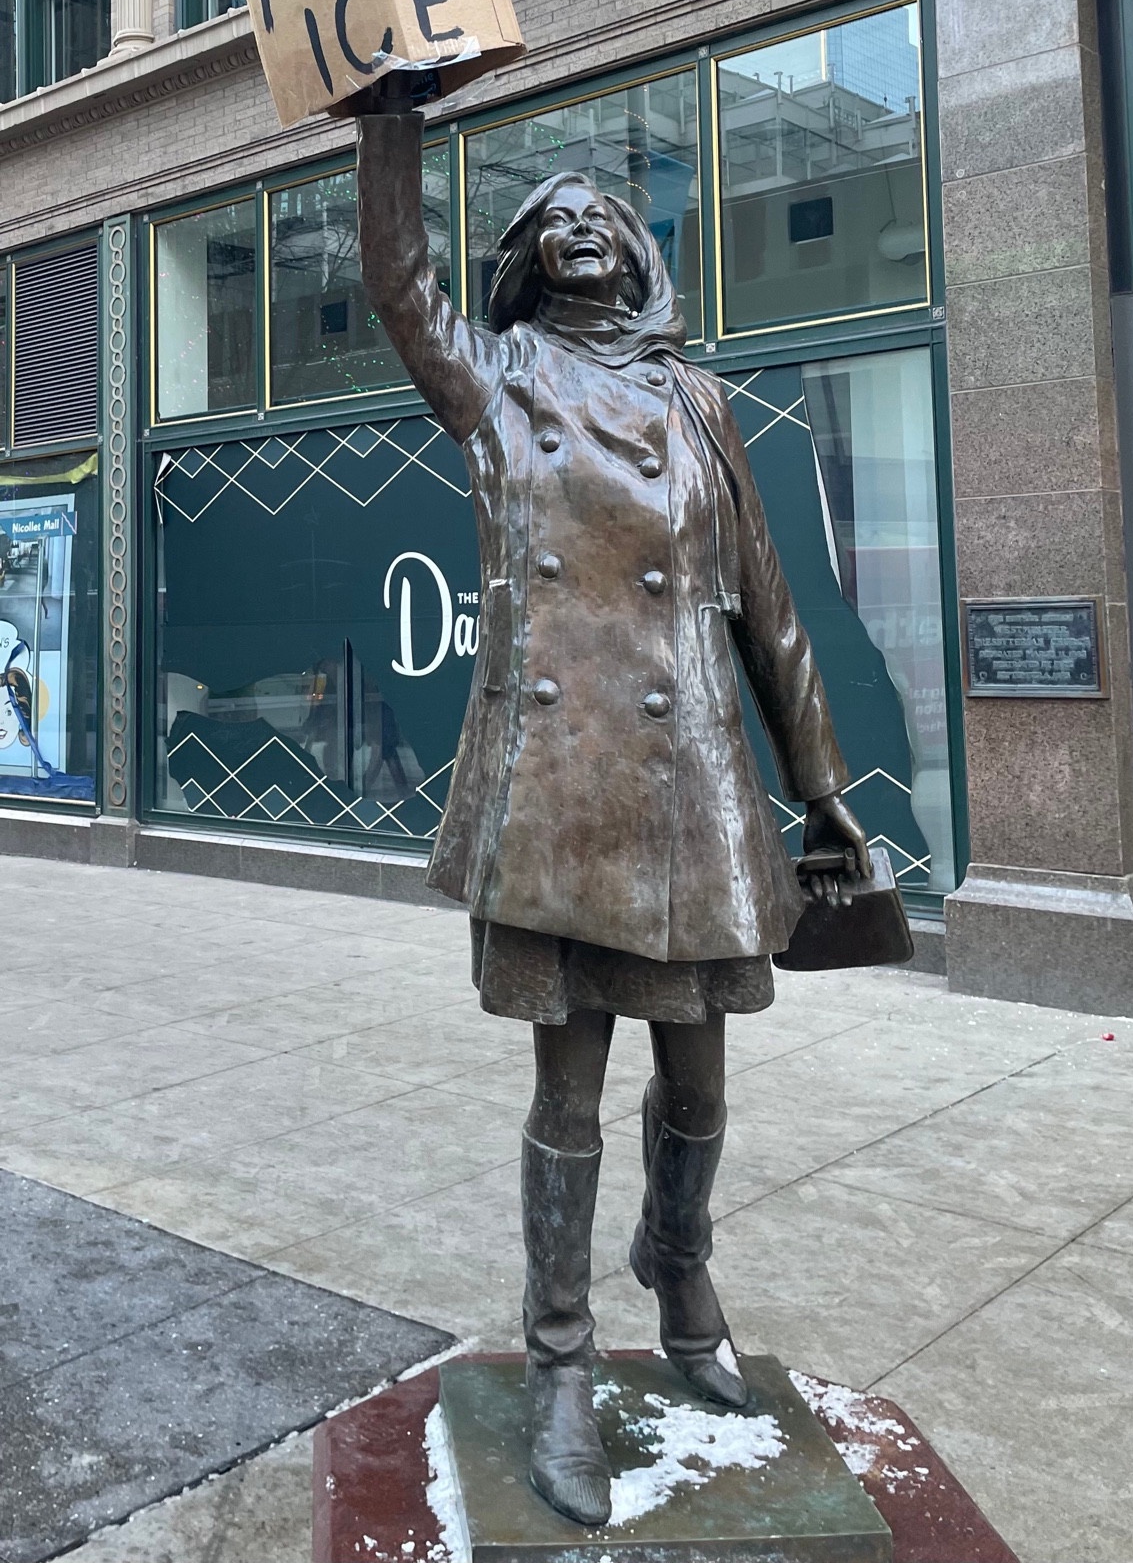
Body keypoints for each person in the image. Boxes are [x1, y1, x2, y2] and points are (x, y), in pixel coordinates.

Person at [355, 91, 870, 1528]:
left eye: (602, 218)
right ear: (527, 259)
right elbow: (398, 280)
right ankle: (562, 1360)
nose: (578, 229)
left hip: (691, 784)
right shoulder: (494, 380)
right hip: (558, 798)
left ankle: (679, 1267)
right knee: (568, 1088)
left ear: (638, 255)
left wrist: (823, 790)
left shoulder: (696, 402)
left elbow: (768, 608)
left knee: (699, 1081)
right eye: (553, 220)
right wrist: (387, 117)